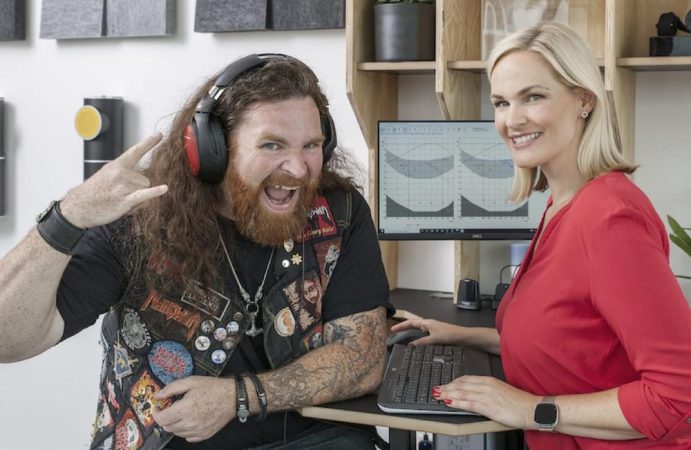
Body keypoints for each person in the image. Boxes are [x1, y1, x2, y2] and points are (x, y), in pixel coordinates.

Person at [0, 54, 391, 450]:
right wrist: (67, 217)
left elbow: (361, 359)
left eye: (311, 145)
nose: (298, 168)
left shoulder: (338, 213)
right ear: (212, 149)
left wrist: (239, 397)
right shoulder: (141, 218)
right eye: (272, 145)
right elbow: (6, 339)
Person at [392, 22, 691, 449]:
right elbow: (569, 343)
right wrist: (460, 334)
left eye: (533, 97)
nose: (512, 120)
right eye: (501, 102)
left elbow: (679, 396)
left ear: (584, 99)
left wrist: (531, 409)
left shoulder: (610, 218)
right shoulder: (563, 203)